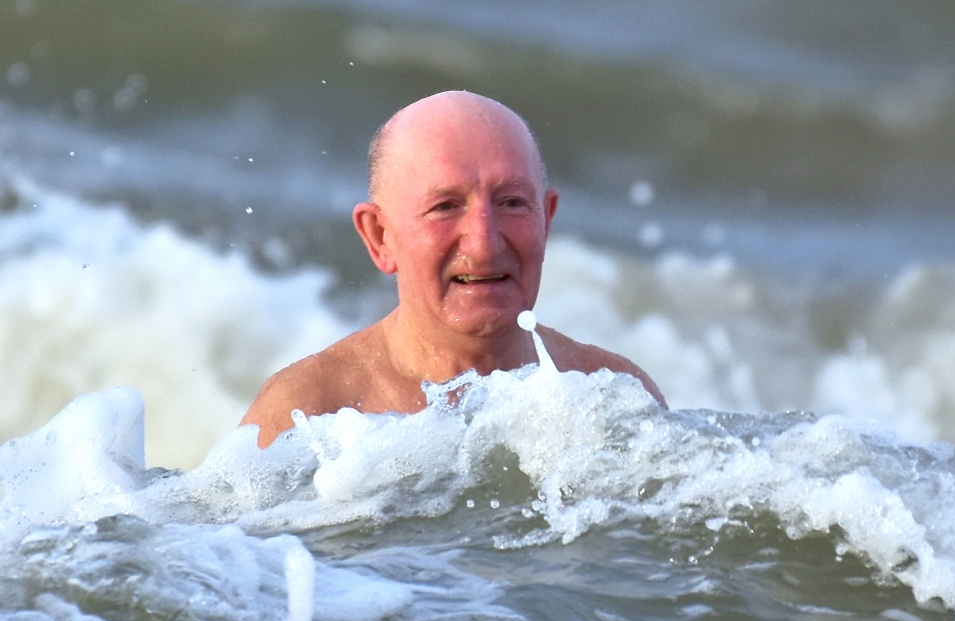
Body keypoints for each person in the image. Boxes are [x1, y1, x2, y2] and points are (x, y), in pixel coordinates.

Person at [240, 90, 665, 448]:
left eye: (512, 203)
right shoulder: (308, 418)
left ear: (546, 219)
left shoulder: (614, 398)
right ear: (379, 236)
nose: (484, 244)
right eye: (445, 207)